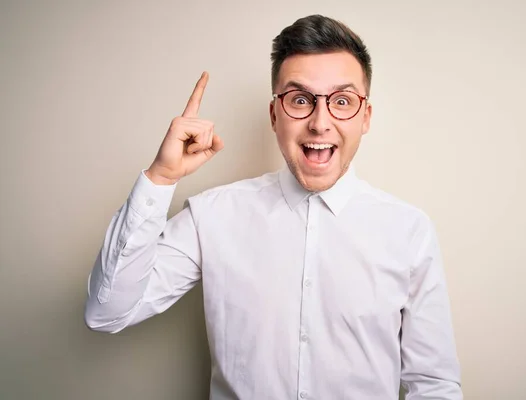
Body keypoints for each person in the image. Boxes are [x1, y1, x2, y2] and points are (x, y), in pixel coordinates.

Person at [84, 14, 463, 400]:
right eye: (300, 100)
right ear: (274, 115)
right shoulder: (212, 216)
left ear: (365, 117)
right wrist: (161, 178)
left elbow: (434, 384)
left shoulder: (409, 231)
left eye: (342, 101)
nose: (320, 123)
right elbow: (107, 312)